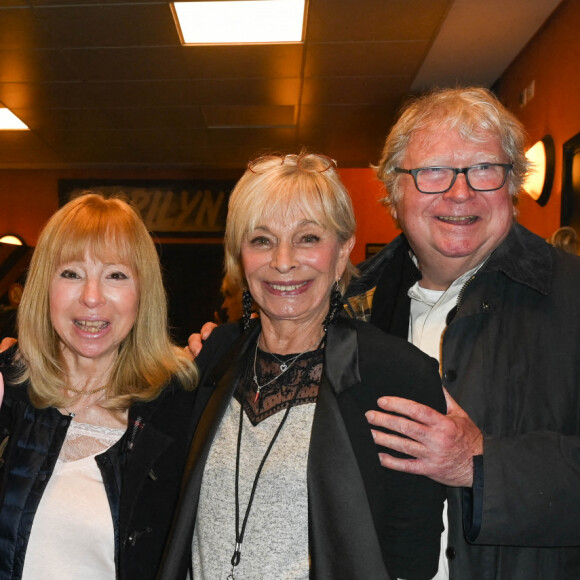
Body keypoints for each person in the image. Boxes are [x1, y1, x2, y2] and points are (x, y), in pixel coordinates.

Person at [159, 151, 446, 579]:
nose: (283, 260)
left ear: (344, 247)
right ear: (240, 255)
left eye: (308, 238)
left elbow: (410, 558)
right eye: (261, 240)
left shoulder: (395, 374)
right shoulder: (215, 354)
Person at [345, 87, 580, 579]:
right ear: (393, 189)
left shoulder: (572, 298)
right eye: (433, 171)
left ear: (513, 184)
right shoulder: (348, 310)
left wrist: (479, 462)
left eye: (484, 169)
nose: (460, 192)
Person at [0, 193, 198, 579]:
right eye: (71, 273)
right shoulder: (10, 392)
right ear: (44, 287)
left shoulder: (181, 412)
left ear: (143, 293)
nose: (91, 297)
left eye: (116, 275)